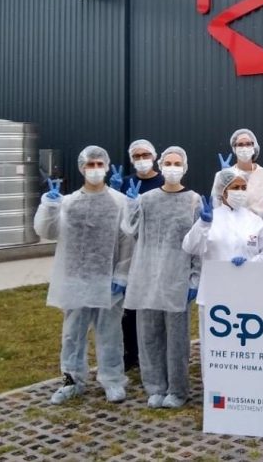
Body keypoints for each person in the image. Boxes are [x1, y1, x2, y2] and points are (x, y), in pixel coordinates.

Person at [34, 145, 131, 405]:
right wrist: (50, 205)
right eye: (90, 164)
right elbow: (47, 232)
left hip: (108, 280)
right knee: (72, 334)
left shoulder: (119, 202)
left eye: (100, 164)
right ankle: (71, 381)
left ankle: (112, 380)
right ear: (82, 168)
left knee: (110, 333)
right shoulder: (68, 202)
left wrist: (122, 275)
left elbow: (127, 241)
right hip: (75, 279)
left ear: (107, 167)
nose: (95, 169)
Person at [122, 146, 201, 409]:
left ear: (185, 167)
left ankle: (177, 390)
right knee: (149, 336)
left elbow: (198, 245)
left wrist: (195, 278)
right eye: (168, 163)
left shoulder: (193, 201)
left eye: (177, 163)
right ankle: (155, 387)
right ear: (161, 165)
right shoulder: (147, 199)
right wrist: (131, 205)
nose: (172, 168)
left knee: (177, 339)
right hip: (147, 274)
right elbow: (130, 230)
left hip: (177, 277)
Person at [182, 167, 263, 368]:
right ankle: (212, 385)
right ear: (223, 191)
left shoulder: (254, 220)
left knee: (246, 343)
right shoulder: (211, 217)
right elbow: (190, 247)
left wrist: (252, 263)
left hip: (247, 292)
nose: (240, 192)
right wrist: (203, 224)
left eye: (243, 187)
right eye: (235, 188)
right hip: (214, 293)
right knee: (213, 345)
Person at [112, 138, 165, 372]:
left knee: (153, 303)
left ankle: (153, 350)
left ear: (154, 157)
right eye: (137, 156)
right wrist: (115, 191)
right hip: (130, 252)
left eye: (145, 155)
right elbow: (118, 217)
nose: (141, 160)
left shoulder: (163, 181)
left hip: (156, 250)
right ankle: (131, 352)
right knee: (130, 306)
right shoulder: (125, 183)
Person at [215, 129, 263, 236]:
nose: (244, 148)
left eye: (248, 144)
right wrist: (223, 182)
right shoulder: (223, 175)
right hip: (230, 233)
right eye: (240, 145)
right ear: (234, 148)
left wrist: (233, 214)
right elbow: (217, 207)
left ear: (254, 147)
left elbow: (262, 211)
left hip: (260, 233)